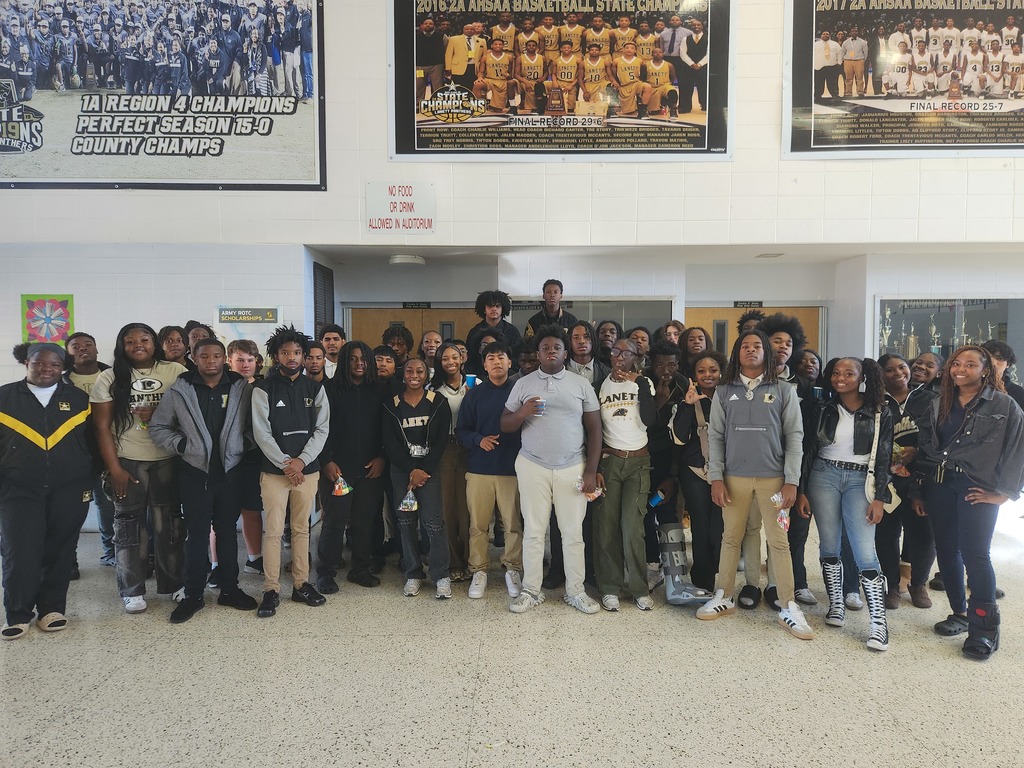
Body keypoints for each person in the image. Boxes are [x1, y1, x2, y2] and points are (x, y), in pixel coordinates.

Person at [696, 330, 813, 640]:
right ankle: (723, 596)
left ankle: (788, 606)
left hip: (774, 479)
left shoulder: (785, 390)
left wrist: (791, 481)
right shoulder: (723, 391)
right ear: (737, 353)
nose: (751, 350)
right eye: (745, 346)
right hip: (733, 478)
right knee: (731, 537)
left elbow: (794, 437)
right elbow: (716, 437)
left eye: (757, 346)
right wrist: (716, 477)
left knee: (778, 542)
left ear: (767, 353)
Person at [912, 346, 1024, 660]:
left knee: (976, 555)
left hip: (978, 488)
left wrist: (1005, 493)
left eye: (971, 364)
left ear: (986, 370)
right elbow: (927, 449)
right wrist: (919, 491)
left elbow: (1018, 449)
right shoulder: (939, 403)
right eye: (956, 363)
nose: (961, 369)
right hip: (940, 485)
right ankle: (960, 613)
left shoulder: (1004, 405)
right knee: (947, 552)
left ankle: (984, 631)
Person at [149, 339, 259, 623]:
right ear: (194, 358)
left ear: (225, 358)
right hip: (194, 473)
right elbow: (158, 427)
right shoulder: (180, 390)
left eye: (216, 356)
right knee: (197, 534)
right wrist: (183, 446)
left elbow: (256, 425)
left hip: (231, 471)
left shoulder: (241, 389)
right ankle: (193, 595)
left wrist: (244, 445)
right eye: (204, 356)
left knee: (226, 531)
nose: (211, 361)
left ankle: (230, 589)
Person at [502, 325, 602, 615]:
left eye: (556, 347)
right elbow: (505, 424)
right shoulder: (523, 384)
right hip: (533, 465)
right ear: (537, 353)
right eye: (545, 347)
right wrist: (522, 412)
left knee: (572, 533)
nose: (550, 352)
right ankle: (531, 590)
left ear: (564, 352)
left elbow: (594, 429)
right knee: (534, 531)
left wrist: (591, 470)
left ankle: (576, 591)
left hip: (573, 466)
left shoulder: (580, 384)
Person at [797, 357, 893, 652]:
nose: (841, 378)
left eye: (849, 373)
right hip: (823, 475)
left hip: (860, 480)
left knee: (865, 551)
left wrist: (880, 497)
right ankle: (836, 604)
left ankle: (878, 623)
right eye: (836, 373)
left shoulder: (880, 410)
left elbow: (886, 455)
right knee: (829, 544)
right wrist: (801, 490)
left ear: (863, 377)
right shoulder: (821, 407)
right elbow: (808, 449)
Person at [91, 323, 187, 614]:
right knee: (129, 525)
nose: (137, 345)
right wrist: (115, 468)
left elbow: (190, 416)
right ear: (121, 346)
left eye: (144, 339)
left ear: (154, 342)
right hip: (128, 459)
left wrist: (158, 413)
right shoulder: (109, 377)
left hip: (167, 458)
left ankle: (174, 584)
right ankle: (132, 590)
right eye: (130, 341)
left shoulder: (175, 372)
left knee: (169, 524)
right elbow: (101, 427)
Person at [0, 344, 93, 640]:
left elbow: (91, 443)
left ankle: (52, 609)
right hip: (18, 489)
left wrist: (87, 480)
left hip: (69, 488)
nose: (46, 369)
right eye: (39, 363)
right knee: (20, 550)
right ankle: (18, 613)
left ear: (62, 366)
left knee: (61, 549)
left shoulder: (78, 399)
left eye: (54, 364)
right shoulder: (5, 397)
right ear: (27, 362)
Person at [250, 325, 329, 618]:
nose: (292, 357)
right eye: (286, 352)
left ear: (305, 356)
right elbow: (261, 432)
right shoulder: (262, 389)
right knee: (272, 531)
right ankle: (271, 590)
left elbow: (322, 430)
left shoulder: (315, 388)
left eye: (297, 352)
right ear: (276, 355)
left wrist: (301, 461)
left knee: (301, 529)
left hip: (307, 471)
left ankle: (301, 584)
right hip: (274, 471)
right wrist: (286, 462)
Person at [316, 341, 387, 593]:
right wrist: (326, 461)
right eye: (353, 359)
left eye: (364, 359)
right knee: (334, 521)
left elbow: (387, 431)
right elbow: (319, 430)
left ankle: (360, 569)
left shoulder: (379, 391)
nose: (359, 364)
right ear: (344, 362)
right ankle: (325, 572)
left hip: (370, 470)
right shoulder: (328, 390)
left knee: (363, 522)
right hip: (337, 470)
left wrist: (381, 457)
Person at [456, 341, 524, 599]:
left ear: (510, 362)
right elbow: (462, 430)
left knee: (512, 524)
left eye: (501, 357)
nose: (496, 362)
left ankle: (513, 568)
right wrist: (478, 440)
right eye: (491, 358)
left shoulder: (519, 392)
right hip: (479, 469)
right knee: (478, 525)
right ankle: (479, 569)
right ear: (484, 365)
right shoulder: (474, 395)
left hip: (512, 469)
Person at [593, 338, 657, 611]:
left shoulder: (644, 384)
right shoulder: (600, 386)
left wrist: (639, 381)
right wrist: (595, 467)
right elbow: (593, 430)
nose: (619, 356)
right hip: (610, 462)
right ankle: (610, 587)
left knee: (633, 528)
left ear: (636, 356)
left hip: (638, 464)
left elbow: (649, 421)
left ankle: (639, 588)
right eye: (615, 351)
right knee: (606, 527)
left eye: (626, 352)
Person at [382, 358, 453, 599]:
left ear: (427, 375)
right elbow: (390, 444)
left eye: (419, 371)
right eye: (410, 370)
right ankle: (413, 573)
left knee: (433, 523)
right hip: (402, 474)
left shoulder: (437, 402)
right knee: (406, 522)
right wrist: (411, 469)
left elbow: (441, 440)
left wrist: (422, 469)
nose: (414, 374)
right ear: (403, 375)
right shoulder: (391, 405)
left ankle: (441, 574)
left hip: (429, 472)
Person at [876, 353, 936, 609]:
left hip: (922, 478)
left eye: (902, 367)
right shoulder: (875, 402)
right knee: (887, 532)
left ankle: (918, 583)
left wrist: (918, 452)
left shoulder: (931, 399)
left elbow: (940, 437)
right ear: (881, 375)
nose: (898, 372)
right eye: (890, 370)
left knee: (924, 534)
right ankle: (891, 585)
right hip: (887, 478)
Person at [672, 350, 729, 593]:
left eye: (713, 370)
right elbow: (679, 438)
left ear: (721, 373)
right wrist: (688, 406)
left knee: (721, 527)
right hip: (695, 471)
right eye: (701, 371)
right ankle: (702, 580)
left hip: (725, 473)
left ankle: (720, 575)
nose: (708, 375)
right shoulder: (687, 400)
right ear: (694, 375)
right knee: (700, 525)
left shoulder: (730, 399)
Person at [64, 332, 114, 567]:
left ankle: (110, 553)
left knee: (107, 506)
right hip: (73, 454)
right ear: (68, 353)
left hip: (108, 451)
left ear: (96, 350)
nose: (83, 349)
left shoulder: (113, 376)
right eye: (76, 346)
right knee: (70, 510)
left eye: (88, 345)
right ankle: (68, 560)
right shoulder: (60, 380)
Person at [430, 342, 471, 582]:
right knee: (447, 508)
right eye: (445, 358)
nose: (450, 362)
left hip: (468, 450)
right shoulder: (433, 388)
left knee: (467, 509)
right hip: (444, 450)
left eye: (454, 357)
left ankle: (470, 561)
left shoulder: (474, 385)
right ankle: (453, 561)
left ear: (462, 359)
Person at [226, 339, 264, 574]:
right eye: (240, 360)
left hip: (252, 457)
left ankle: (254, 558)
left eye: (250, 360)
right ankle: (218, 564)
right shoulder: (220, 387)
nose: (245, 364)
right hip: (224, 460)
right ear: (229, 360)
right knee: (221, 513)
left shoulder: (262, 388)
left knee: (252, 508)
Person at [466, 290, 523, 376]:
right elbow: (471, 359)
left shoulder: (512, 331)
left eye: (497, 306)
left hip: (508, 376)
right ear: (484, 309)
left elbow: (517, 358)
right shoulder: (475, 331)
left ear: (502, 308)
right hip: (480, 377)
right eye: (490, 306)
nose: (494, 309)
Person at [981, 340, 1024, 410]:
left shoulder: (1018, 393)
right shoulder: (971, 387)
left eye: (999, 358)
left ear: (1008, 364)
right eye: (987, 358)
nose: (993, 362)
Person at [567, 321, 610, 388]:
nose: (582, 341)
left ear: (593, 339)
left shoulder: (606, 372)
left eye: (586, 337)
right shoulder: (560, 369)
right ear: (569, 341)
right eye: (576, 338)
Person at [444, 22, 485, 90]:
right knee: (458, 89)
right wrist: (448, 67)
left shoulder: (482, 41)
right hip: (458, 68)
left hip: (474, 68)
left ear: (474, 30)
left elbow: (484, 56)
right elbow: (448, 54)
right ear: (463, 30)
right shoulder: (453, 39)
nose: (469, 30)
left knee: (472, 88)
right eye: (467, 29)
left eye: (471, 29)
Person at [679, 19, 708, 112]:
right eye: (694, 25)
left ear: (702, 26)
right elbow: (682, 53)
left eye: (698, 25)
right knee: (686, 87)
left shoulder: (708, 38)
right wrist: (692, 64)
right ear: (691, 27)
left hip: (703, 66)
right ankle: (685, 107)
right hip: (688, 67)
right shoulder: (685, 39)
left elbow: (709, 53)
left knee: (704, 86)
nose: (696, 27)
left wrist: (700, 64)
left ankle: (705, 105)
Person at [415, 17, 445, 104]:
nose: (428, 25)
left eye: (430, 24)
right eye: (426, 23)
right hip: (420, 65)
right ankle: (418, 104)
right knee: (419, 86)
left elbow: (446, 48)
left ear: (434, 26)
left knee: (438, 86)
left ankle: (438, 103)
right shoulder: (415, 37)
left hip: (436, 65)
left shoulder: (441, 36)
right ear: (421, 26)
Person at [814, 30, 843, 101]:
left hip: (832, 66)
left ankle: (835, 94)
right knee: (819, 82)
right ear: (821, 36)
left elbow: (840, 53)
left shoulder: (835, 44)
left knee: (832, 82)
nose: (825, 35)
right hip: (819, 67)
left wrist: (839, 63)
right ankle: (818, 95)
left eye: (827, 34)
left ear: (829, 36)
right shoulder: (815, 44)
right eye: (823, 34)